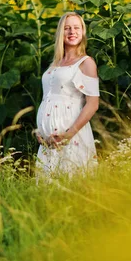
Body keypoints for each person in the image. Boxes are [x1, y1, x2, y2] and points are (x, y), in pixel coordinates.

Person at [35, 12, 100, 178]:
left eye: (77, 28)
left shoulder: (86, 63)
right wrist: (41, 130)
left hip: (70, 136)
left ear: (83, 32)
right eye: (67, 28)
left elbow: (93, 104)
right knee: (47, 192)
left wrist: (68, 135)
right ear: (60, 33)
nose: (72, 32)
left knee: (72, 184)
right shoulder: (55, 64)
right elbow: (48, 99)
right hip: (48, 141)